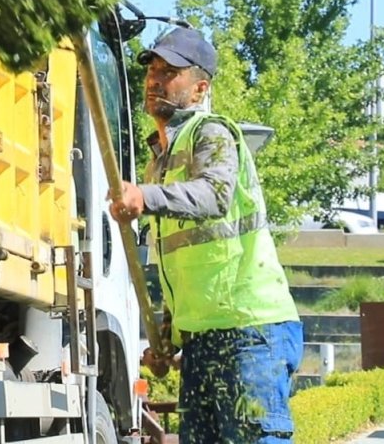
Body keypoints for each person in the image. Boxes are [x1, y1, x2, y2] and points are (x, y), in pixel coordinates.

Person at [110, 26, 302, 444]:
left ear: (198, 89)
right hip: (204, 340)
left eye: (169, 71)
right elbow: (182, 265)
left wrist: (145, 196)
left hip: (250, 332)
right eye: (152, 70)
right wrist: (169, 338)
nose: (155, 79)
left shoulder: (212, 132)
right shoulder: (159, 161)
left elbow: (215, 195)